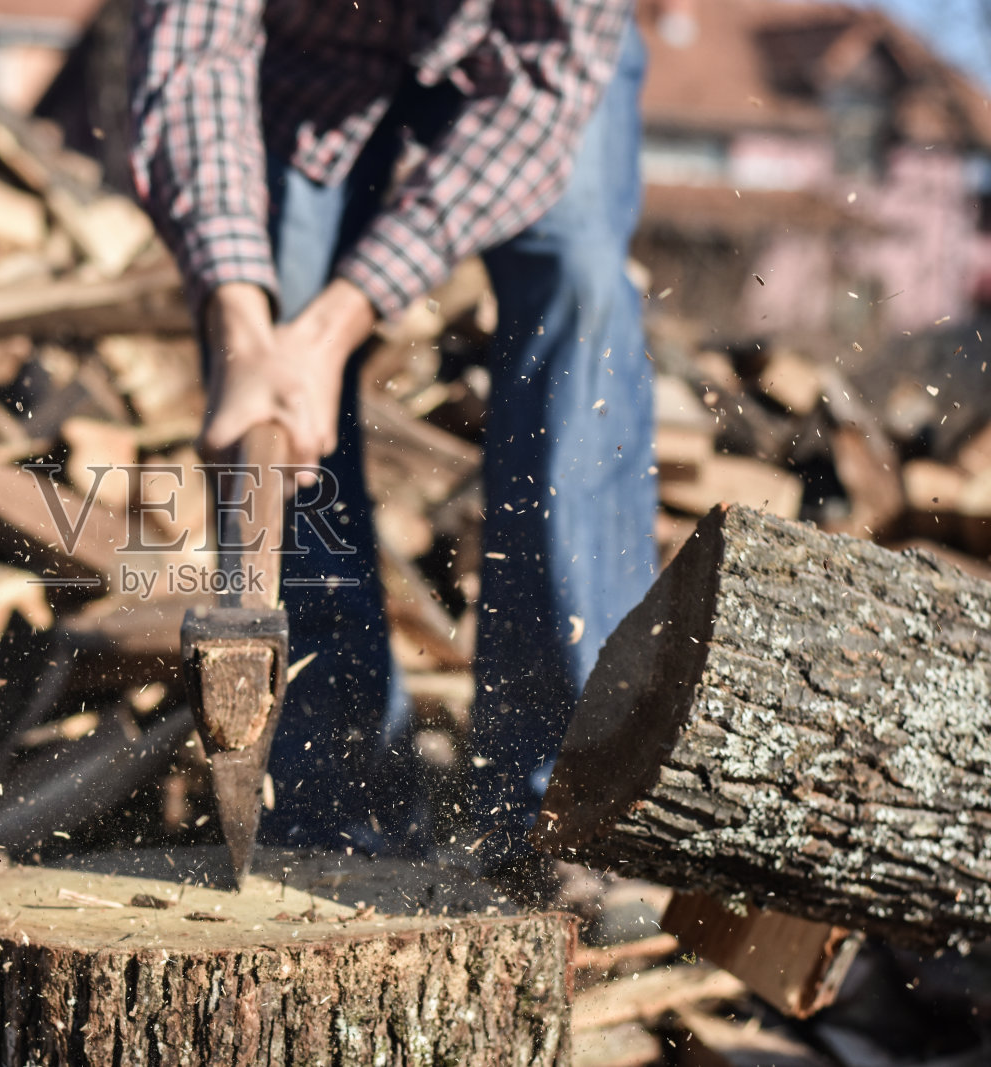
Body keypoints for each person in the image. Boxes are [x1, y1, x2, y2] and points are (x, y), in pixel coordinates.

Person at [129, 0, 658, 874]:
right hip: (310, 59)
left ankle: (562, 797)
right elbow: (191, 51)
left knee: (582, 286)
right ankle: (337, 787)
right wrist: (244, 325)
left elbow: (539, 100)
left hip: (530, 62)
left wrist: (332, 333)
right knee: (276, 312)